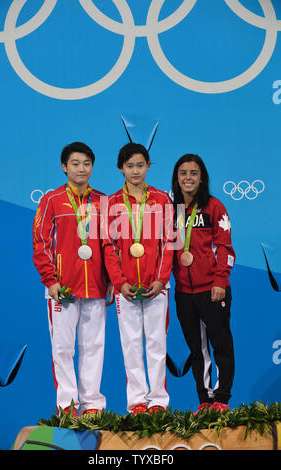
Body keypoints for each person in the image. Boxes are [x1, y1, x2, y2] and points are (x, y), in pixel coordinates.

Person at [33, 141, 113, 417]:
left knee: (94, 347)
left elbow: (110, 245)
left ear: (93, 167)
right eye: (75, 163)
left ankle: (92, 405)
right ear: (64, 167)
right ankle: (67, 405)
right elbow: (41, 242)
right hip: (62, 288)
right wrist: (50, 280)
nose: (81, 168)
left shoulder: (103, 201)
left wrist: (111, 280)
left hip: (96, 287)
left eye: (87, 163)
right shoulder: (51, 200)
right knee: (63, 349)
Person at [103, 142, 174, 415]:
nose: (135, 171)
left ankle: (158, 401)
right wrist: (119, 282)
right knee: (131, 344)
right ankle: (137, 403)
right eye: (130, 166)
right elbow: (108, 247)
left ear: (149, 166)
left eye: (140, 165)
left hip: (158, 286)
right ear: (121, 168)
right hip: (126, 287)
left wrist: (161, 279)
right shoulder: (109, 203)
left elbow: (170, 242)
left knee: (157, 343)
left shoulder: (163, 200)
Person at [171, 154, 235, 413]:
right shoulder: (172, 209)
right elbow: (168, 249)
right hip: (184, 293)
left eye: (193, 173)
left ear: (202, 177)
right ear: (177, 177)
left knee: (220, 344)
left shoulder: (214, 206)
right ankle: (205, 400)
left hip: (212, 288)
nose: (188, 177)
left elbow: (225, 247)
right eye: (183, 172)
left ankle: (221, 398)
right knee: (197, 350)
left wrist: (220, 280)